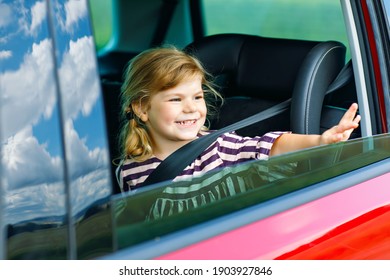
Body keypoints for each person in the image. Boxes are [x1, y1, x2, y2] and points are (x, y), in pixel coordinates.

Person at [117, 46, 360, 192]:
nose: (191, 108)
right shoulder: (130, 170)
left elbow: (266, 146)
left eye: (197, 97)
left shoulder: (218, 147)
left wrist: (319, 141)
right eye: (175, 100)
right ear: (142, 108)